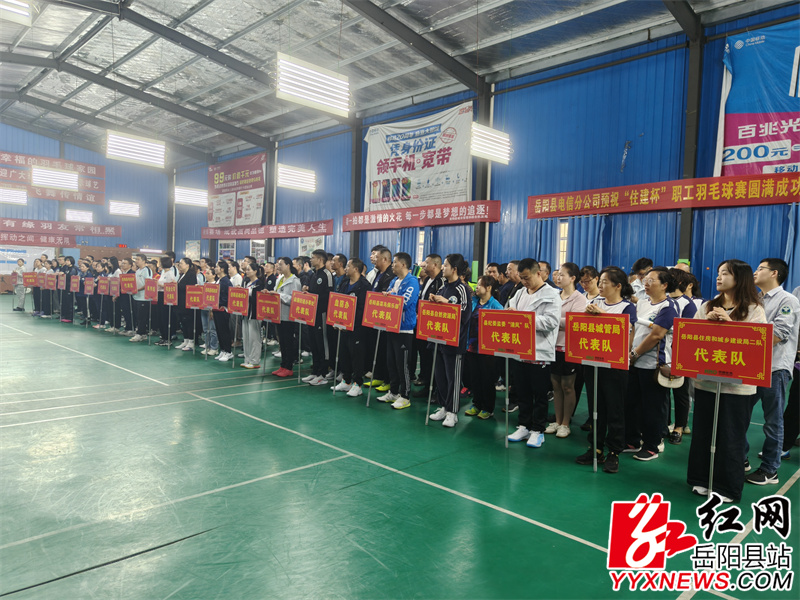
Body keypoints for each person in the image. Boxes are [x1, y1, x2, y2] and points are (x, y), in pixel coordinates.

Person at [687, 259, 766, 503]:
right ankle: (702, 479)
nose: (719, 277)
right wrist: (707, 323)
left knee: (730, 436)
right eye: (718, 273)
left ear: (739, 278)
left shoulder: (754, 309)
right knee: (703, 433)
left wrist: (729, 324)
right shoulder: (707, 306)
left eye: (725, 274)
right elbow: (692, 337)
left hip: (737, 387)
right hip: (706, 382)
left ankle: (728, 487)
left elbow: (756, 346)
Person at [576, 267, 637, 473]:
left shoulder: (627, 307)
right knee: (595, 409)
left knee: (615, 410)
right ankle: (596, 447)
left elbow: (626, 337)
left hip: (615, 367)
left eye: (604, 282)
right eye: (600, 281)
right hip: (592, 363)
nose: (600, 285)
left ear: (618, 286)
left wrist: (602, 316)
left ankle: (614, 452)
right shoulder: (594, 303)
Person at [745, 258, 800, 485]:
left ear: (774, 273)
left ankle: (770, 470)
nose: (755, 272)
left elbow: (778, 334)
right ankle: (741, 458)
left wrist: (746, 340)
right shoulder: (755, 299)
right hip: (750, 367)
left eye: (760, 269)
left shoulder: (788, 300)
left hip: (774, 368)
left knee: (773, 421)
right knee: (740, 414)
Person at [506, 258, 561, 447]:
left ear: (539, 273)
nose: (524, 282)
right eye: (521, 278)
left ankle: (538, 430)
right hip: (519, 350)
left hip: (539, 352)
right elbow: (509, 310)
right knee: (522, 392)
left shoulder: (552, 294)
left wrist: (523, 319)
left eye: (527, 278)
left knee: (539, 394)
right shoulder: (520, 292)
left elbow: (551, 322)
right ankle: (524, 425)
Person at [625, 267, 679, 461]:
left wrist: (635, 353)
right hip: (634, 362)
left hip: (653, 365)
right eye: (645, 280)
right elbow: (634, 328)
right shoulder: (642, 303)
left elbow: (656, 335)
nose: (645, 284)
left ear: (664, 285)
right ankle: (632, 440)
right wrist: (630, 352)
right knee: (632, 403)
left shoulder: (668, 307)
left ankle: (651, 446)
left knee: (653, 408)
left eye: (651, 280)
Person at [428, 254, 472, 428]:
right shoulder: (442, 288)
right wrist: (433, 301)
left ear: (454, 269)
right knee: (440, 377)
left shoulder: (462, 289)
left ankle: (453, 412)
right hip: (438, 340)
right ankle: (444, 407)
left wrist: (447, 303)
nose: (442, 268)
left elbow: (465, 314)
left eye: (445, 265)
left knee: (453, 378)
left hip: (454, 343)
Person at [547, 262, 588, 438]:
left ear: (573, 278)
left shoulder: (580, 299)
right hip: (552, 346)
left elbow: (574, 322)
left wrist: (551, 320)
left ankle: (565, 423)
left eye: (562, 275)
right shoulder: (555, 296)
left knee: (568, 387)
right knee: (556, 385)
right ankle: (557, 421)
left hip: (569, 349)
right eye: (558, 274)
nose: (558, 277)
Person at [378, 252, 420, 410]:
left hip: (404, 329)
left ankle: (405, 395)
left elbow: (405, 302)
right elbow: (389, 298)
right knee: (391, 362)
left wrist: (392, 296)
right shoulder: (394, 281)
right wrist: (388, 296)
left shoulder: (412, 281)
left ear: (403, 264)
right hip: (391, 327)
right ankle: (394, 392)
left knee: (403, 365)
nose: (392, 265)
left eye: (395, 262)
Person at [463, 276, 503, 419]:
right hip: (471, 346)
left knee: (487, 379)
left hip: (487, 350)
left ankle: (488, 408)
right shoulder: (473, 302)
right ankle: (476, 404)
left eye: (480, 285)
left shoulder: (496, 306)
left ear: (489, 288)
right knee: (475, 378)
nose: (477, 287)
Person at [666, 268, 698, 445]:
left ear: (678, 282)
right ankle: (665, 424)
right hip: (662, 353)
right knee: (662, 392)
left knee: (681, 392)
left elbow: (688, 332)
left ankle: (679, 426)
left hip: (680, 354)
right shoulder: (664, 300)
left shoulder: (687, 304)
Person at [412, 254, 446, 398]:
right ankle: (427, 385)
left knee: (434, 359)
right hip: (422, 325)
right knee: (425, 355)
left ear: (435, 265)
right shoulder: (427, 280)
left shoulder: (441, 282)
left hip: (433, 326)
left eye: (426, 263)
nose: (423, 265)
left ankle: (436, 389)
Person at [302, 250, 334, 386]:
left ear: (320, 260)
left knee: (322, 344)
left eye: (313, 258)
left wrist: (315, 298)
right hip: (312, 314)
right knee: (314, 343)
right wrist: (307, 291)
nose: (311, 260)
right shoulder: (314, 274)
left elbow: (330, 295)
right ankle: (315, 371)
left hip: (322, 314)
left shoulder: (327, 274)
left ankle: (322, 374)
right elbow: (314, 291)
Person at [365, 248, 394, 389]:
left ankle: (387, 380)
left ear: (385, 259)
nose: (374, 259)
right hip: (374, 317)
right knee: (376, 348)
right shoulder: (378, 273)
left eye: (377, 257)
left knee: (384, 349)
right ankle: (378, 375)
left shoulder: (390, 275)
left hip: (385, 319)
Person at [274, 257, 302, 377]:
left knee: (288, 342)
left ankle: (289, 367)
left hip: (288, 316)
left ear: (288, 265)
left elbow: (295, 299)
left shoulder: (295, 281)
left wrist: (278, 296)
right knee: (282, 342)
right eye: (278, 264)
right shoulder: (280, 279)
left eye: (281, 264)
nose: (278, 266)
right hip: (278, 315)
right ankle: (283, 365)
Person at [241, 261, 265, 369]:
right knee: (246, 337)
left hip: (254, 314)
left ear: (255, 271)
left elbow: (257, 299)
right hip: (245, 313)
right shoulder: (246, 282)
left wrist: (247, 295)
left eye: (249, 269)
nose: (246, 272)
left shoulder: (259, 283)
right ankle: (247, 359)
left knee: (254, 338)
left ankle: (255, 361)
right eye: (246, 270)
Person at [212, 261, 234, 362]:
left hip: (223, 309)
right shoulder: (219, 280)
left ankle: (228, 352)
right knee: (219, 331)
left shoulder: (226, 282)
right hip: (216, 309)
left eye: (217, 267)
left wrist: (218, 303)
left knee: (224, 331)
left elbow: (227, 298)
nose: (215, 268)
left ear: (222, 269)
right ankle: (223, 350)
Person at [175, 258, 198, 352]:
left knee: (189, 322)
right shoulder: (182, 274)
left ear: (187, 265)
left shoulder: (191, 275)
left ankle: (191, 342)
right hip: (180, 302)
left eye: (181, 263)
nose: (179, 265)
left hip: (187, 302)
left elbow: (190, 287)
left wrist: (176, 285)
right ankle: (186, 340)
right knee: (183, 322)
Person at [129, 254, 153, 343]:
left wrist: (138, 289)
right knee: (137, 316)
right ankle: (142, 334)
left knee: (142, 317)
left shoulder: (147, 270)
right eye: (136, 259)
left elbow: (148, 283)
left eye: (138, 259)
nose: (136, 261)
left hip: (144, 298)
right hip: (136, 297)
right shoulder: (137, 271)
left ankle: (140, 334)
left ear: (143, 261)